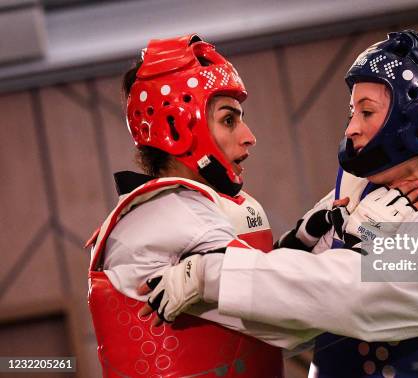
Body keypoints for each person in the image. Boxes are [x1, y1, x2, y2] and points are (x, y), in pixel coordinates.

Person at [140, 30, 418, 378]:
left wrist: (211, 275)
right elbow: (288, 313)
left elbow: (354, 295)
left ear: (417, 119)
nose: (350, 129)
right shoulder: (359, 195)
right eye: (352, 113)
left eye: (366, 112)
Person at [86, 34, 290, 377]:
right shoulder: (173, 217)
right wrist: (375, 240)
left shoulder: (183, 209)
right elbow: (298, 311)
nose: (248, 135)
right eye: (229, 120)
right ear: (179, 127)